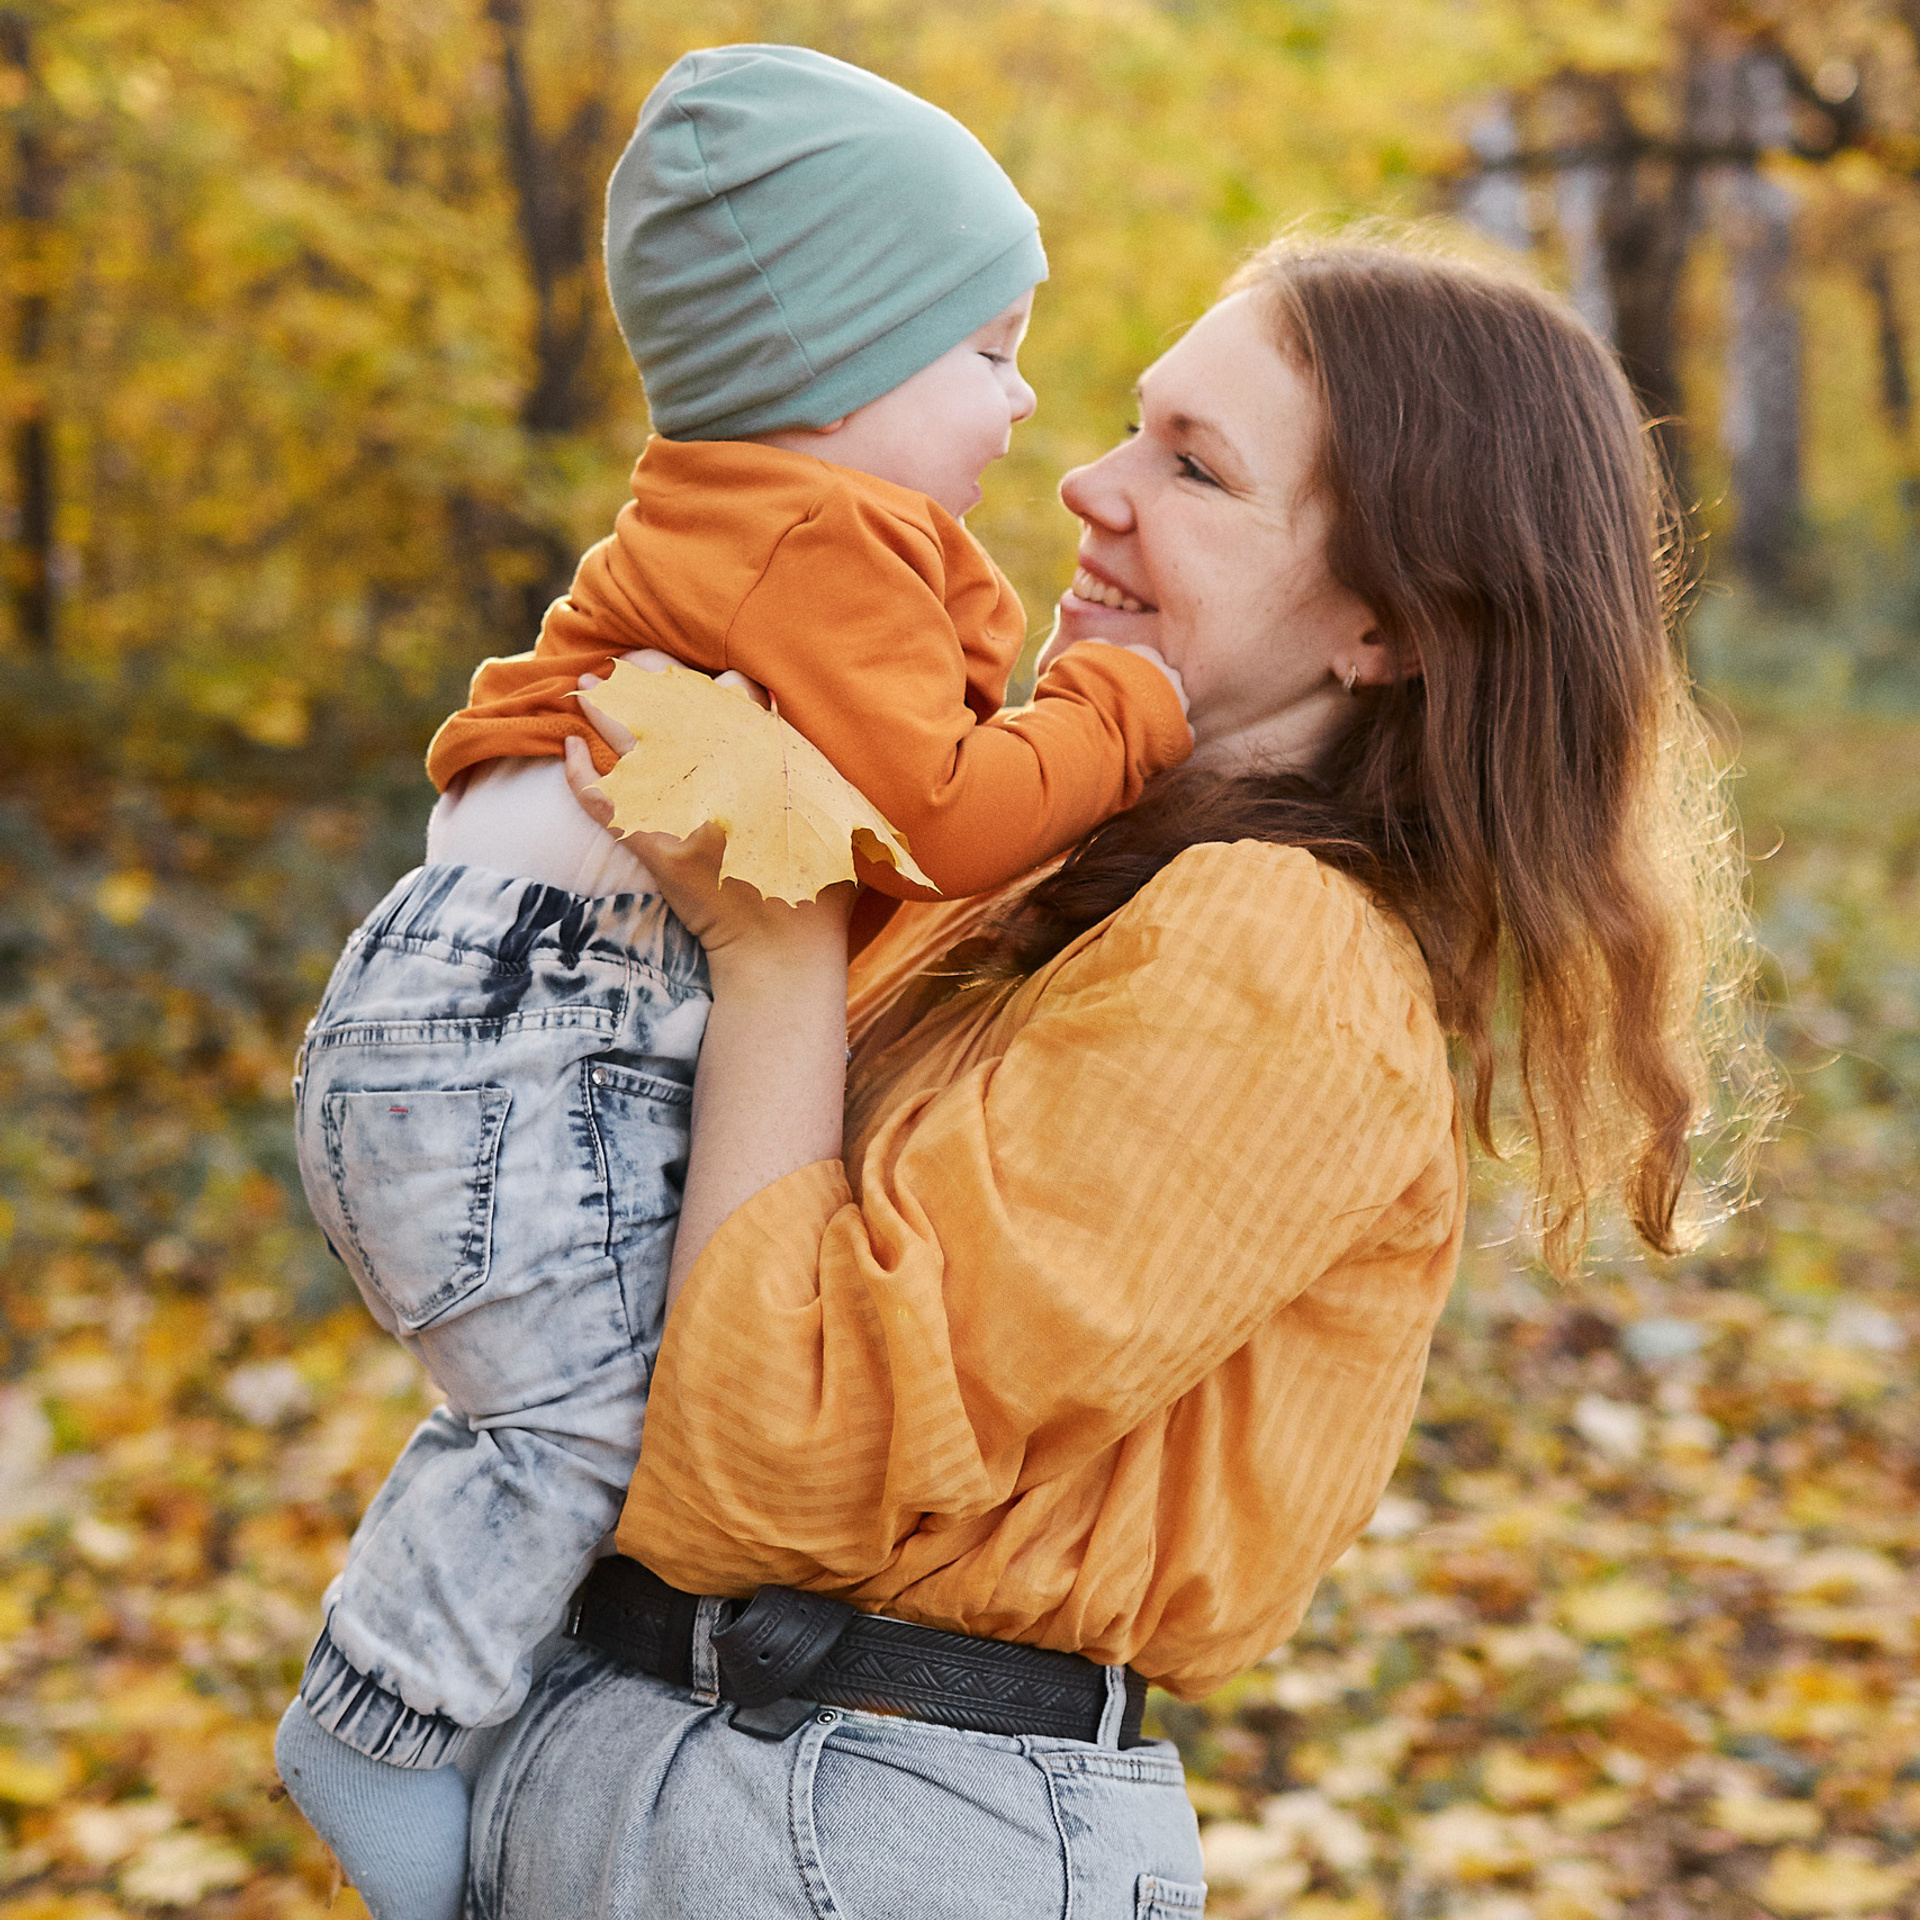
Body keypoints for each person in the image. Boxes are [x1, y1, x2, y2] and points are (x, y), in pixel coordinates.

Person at [459, 231, 1772, 1918]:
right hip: (709, 1783)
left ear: (1386, 625)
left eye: (1194, 467)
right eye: (1132, 426)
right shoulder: (1051, 868)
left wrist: (774, 941)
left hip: (857, 1831)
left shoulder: (1279, 954)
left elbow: (780, 1462)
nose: (1087, 483)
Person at [273, 45, 1189, 1920]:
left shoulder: (756, 524)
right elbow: (939, 810)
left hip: (505, 1011)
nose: (1025, 410)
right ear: (842, 361)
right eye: (990, 352)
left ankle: (471, 1705)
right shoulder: (812, 527)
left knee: (583, 1401)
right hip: (532, 1032)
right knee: (588, 1420)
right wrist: (1125, 715)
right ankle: (383, 1714)